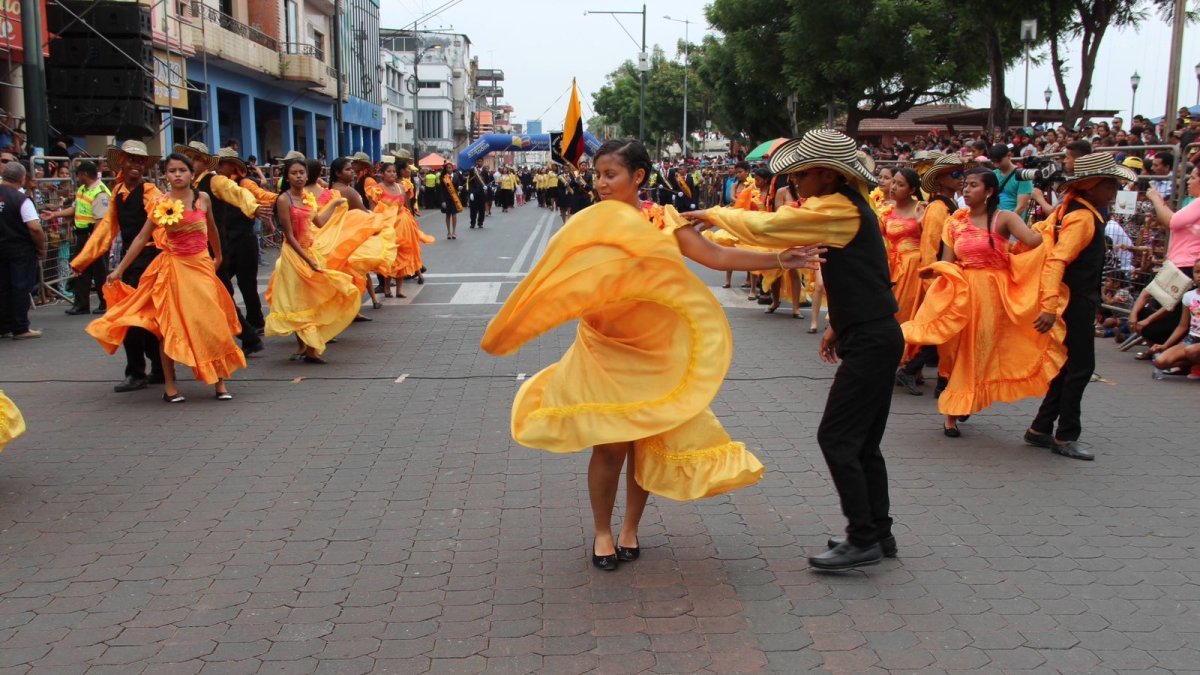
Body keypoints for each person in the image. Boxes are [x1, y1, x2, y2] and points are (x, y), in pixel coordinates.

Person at [481, 139, 821, 571]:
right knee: (609, 446)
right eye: (597, 175)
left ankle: (630, 529)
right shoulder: (588, 222)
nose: (601, 183)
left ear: (637, 177)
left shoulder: (662, 218)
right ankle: (602, 531)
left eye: (610, 175)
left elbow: (712, 255)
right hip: (604, 347)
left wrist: (779, 258)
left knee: (643, 441)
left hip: (657, 348)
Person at [684, 129, 904, 571]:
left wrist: (712, 213)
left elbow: (770, 228)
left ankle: (863, 537)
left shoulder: (837, 208)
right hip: (872, 332)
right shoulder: (841, 206)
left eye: (800, 175)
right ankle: (877, 532)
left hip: (873, 337)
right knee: (862, 443)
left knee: (838, 437)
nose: (794, 184)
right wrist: (838, 327)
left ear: (825, 174)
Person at [900, 169, 1064, 437]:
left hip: (993, 297)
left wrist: (1055, 223)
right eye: (965, 185)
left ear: (988, 191)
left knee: (979, 351)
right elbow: (948, 261)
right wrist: (934, 271)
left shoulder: (1005, 218)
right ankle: (958, 400)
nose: (965, 190)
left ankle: (953, 413)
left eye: (973, 185)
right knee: (954, 352)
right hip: (961, 295)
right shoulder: (954, 222)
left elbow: (1035, 242)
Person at [87, 153, 245, 402]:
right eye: (172, 171)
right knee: (170, 327)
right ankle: (170, 387)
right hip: (174, 270)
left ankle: (219, 382)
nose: (178, 174)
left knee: (211, 323)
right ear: (166, 175)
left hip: (201, 267)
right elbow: (141, 237)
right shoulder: (161, 202)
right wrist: (118, 269)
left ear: (192, 173)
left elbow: (212, 229)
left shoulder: (203, 199)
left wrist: (218, 257)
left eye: (182, 169)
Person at [1026, 153, 1137, 461]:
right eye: (1110, 183)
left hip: (1075, 298)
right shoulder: (1082, 217)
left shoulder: (1074, 210)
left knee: (1069, 365)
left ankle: (1040, 427)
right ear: (1093, 186)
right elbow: (1056, 260)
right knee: (1080, 367)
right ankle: (1065, 436)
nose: (1115, 189)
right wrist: (1049, 306)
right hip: (1075, 301)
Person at [71, 141, 165, 389]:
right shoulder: (117, 192)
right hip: (127, 262)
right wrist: (83, 260)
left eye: (140, 161)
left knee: (145, 318)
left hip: (150, 261)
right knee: (133, 318)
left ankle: (152, 368)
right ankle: (143, 370)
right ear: (121, 161)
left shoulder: (151, 193)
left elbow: (163, 226)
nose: (135, 165)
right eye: (131, 159)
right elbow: (107, 228)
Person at [264, 158, 361, 363]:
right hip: (294, 255)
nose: (299, 176)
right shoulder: (284, 199)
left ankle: (309, 347)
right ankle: (307, 347)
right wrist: (307, 260)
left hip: (310, 252)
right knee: (299, 300)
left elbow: (319, 222)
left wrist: (335, 204)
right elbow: (288, 235)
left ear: (308, 176)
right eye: (294, 173)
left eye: (302, 172)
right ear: (287, 177)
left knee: (314, 297)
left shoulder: (308, 197)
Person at [177, 142, 269, 354]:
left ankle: (247, 337)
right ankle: (244, 337)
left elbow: (239, 193)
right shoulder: (187, 186)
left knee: (224, 295)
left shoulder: (215, 181)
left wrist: (253, 207)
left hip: (215, 250)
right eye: (189, 158)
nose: (191, 163)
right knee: (216, 296)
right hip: (195, 251)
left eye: (196, 159)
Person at [896, 155, 966, 394]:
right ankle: (911, 370)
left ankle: (914, 370)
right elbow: (930, 247)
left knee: (942, 329)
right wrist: (933, 281)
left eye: (961, 174)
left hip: (948, 277)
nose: (961, 179)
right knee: (938, 328)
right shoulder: (937, 208)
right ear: (940, 179)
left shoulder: (950, 205)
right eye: (955, 174)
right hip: (939, 278)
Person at [43, 161, 110, 316]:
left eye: (78, 174)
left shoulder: (100, 192)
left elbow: (101, 220)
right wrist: (55, 214)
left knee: (100, 272)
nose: (77, 178)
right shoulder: (83, 190)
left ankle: (105, 302)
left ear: (84, 174)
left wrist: (94, 242)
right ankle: (81, 304)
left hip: (94, 237)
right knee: (80, 269)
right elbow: (75, 208)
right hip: (82, 235)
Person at [369, 157, 433, 298]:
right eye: (389, 171)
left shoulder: (402, 187)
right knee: (388, 257)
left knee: (402, 256)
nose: (392, 174)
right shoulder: (377, 189)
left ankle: (399, 289)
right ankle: (386, 287)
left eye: (393, 171)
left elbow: (406, 207)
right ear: (383, 174)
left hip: (402, 226)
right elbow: (372, 210)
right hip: (387, 227)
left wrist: (411, 222)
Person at [0, 162, 45, 340]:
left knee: (2, 286)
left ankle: (3, 326)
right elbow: (35, 227)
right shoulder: (21, 200)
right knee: (20, 286)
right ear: (22, 178)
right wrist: (41, 246)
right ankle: (20, 327)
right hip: (19, 248)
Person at [878, 168, 925, 328]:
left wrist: (922, 223)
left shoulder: (921, 208)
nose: (893, 187)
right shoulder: (886, 211)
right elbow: (875, 239)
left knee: (908, 311)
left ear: (912, 190)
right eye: (893, 182)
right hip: (893, 267)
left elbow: (933, 239)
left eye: (900, 184)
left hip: (916, 267)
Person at [1149, 259, 1200, 378]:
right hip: (1191, 339)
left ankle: (1197, 368)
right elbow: (1182, 326)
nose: (1199, 275)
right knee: (1160, 362)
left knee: (1191, 351)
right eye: (1197, 272)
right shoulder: (1188, 296)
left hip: (1193, 348)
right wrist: (1165, 345)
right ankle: (1187, 365)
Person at [989, 144, 1033, 218]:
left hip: (1014, 221)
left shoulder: (1022, 176)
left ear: (1009, 155)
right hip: (995, 220)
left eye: (999, 161)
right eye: (993, 162)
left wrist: (1008, 222)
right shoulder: (993, 174)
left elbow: (1021, 207)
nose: (996, 165)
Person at [438, 162, 463, 239]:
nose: (449, 169)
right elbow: (441, 190)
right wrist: (442, 201)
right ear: (445, 169)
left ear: (452, 168)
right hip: (446, 199)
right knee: (448, 215)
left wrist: (460, 188)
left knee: (454, 215)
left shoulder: (456, 176)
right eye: (447, 168)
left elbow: (459, 185)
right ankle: (448, 232)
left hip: (454, 198)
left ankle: (454, 232)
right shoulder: (443, 177)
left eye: (450, 167)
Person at [466, 158, 491, 229]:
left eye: (481, 161)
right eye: (478, 161)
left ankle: (480, 222)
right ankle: (472, 223)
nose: (479, 162)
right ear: (476, 162)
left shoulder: (485, 172)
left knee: (481, 209)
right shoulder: (472, 170)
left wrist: (487, 187)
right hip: (474, 192)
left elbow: (487, 182)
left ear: (483, 162)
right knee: (473, 209)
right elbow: (469, 182)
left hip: (482, 192)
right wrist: (470, 192)